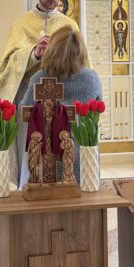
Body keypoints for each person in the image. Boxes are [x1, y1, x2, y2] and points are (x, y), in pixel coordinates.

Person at [18, 25, 101, 186]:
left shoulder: (40, 78)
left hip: (46, 160)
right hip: (84, 156)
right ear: (80, 50)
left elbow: (24, 110)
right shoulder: (91, 78)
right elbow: (98, 109)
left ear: (52, 50)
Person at [0, 0, 83, 105]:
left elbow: (82, 62)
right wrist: (34, 54)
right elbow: (8, 64)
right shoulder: (21, 24)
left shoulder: (70, 26)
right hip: (28, 95)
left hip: (62, 95)